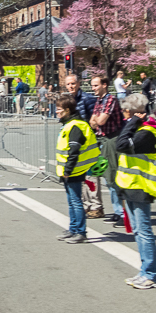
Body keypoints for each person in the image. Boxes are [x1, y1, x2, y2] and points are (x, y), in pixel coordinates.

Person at [112, 92, 156, 288]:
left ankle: (152, 275)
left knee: (144, 231)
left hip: (142, 187)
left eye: (124, 112)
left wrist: (131, 123)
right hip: (132, 186)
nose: (122, 116)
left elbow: (121, 145)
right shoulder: (141, 130)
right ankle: (145, 271)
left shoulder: (146, 133)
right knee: (138, 230)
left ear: (130, 112)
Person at [54, 93, 99, 244]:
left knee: (75, 201)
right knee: (72, 201)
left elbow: (73, 151)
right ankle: (73, 228)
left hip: (74, 170)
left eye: (59, 109)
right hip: (71, 170)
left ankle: (80, 231)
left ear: (67, 110)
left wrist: (67, 171)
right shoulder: (71, 124)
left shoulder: (75, 126)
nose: (56, 111)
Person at [85, 74, 122, 219]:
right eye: (92, 85)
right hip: (100, 140)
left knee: (111, 176)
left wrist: (96, 120)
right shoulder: (99, 100)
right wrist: (95, 120)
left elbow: (99, 121)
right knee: (97, 174)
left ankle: (120, 212)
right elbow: (91, 121)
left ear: (104, 85)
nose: (93, 88)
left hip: (111, 139)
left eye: (95, 85)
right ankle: (102, 208)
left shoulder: (111, 99)